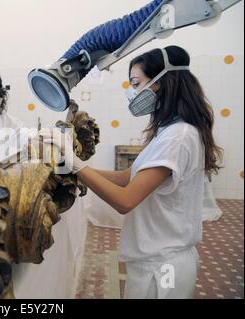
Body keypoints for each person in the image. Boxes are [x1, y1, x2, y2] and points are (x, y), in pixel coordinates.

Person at [40, 46, 223, 299]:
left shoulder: (179, 137)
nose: (133, 92)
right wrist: (78, 170)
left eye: (137, 84)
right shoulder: (168, 131)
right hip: (152, 258)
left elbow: (125, 200)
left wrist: (75, 163)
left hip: (164, 266)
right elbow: (129, 177)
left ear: (163, 82)